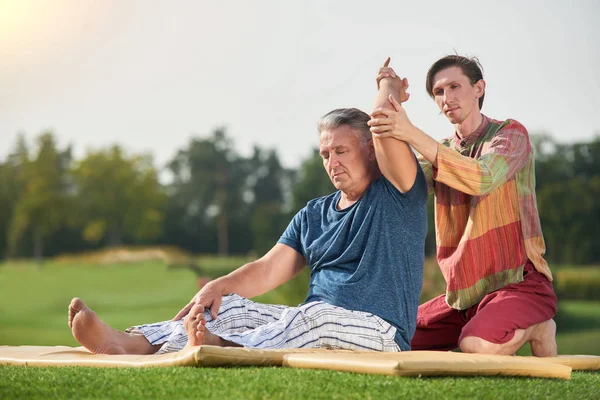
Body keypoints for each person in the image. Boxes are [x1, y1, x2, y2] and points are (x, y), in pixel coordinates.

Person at [67, 102, 429, 354]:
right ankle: (128, 344)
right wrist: (217, 286)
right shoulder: (313, 213)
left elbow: (383, 126)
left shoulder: (397, 194)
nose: (331, 162)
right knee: (232, 309)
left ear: (370, 150)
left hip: (379, 331)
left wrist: (387, 84)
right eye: (324, 154)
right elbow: (269, 268)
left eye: (341, 151)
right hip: (311, 321)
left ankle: (221, 347)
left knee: (315, 317)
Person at [368, 55, 557, 356]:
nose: (447, 98)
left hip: (520, 284)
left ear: (479, 88)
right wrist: (388, 90)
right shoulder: (441, 151)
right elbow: (398, 179)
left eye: (454, 86)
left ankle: (538, 324)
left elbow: (482, 178)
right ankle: (478, 327)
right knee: (390, 338)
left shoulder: (510, 134)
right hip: (462, 298)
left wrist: (410, 132)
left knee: (476, 346)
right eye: (439, 92)